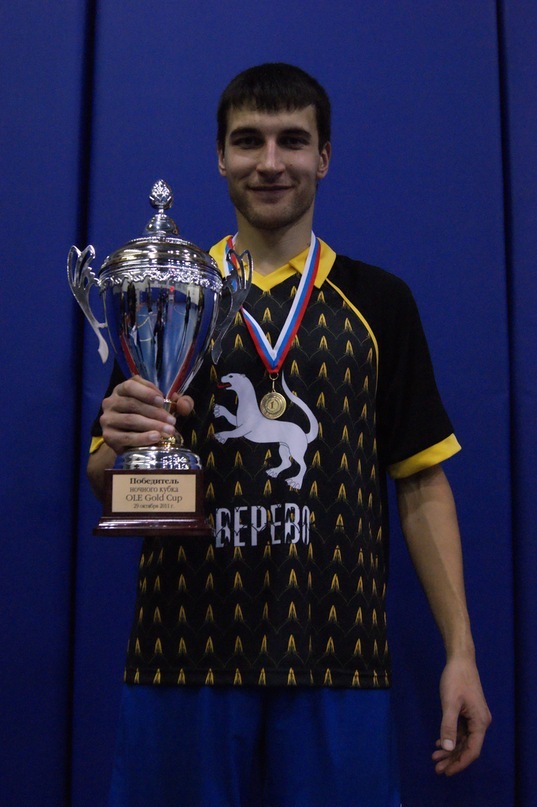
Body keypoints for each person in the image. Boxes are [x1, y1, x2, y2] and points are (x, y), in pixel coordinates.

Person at [88, 63, 491, 806]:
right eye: (248, 141)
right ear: (219, 156)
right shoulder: (171, 293)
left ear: (324, 156)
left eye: (292, 141)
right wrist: (119, 442)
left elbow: (421, 483)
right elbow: (109, 484)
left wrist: (460, 653)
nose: (270, 162)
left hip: (338, 655)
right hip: (184, 653)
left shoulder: (379, 303)